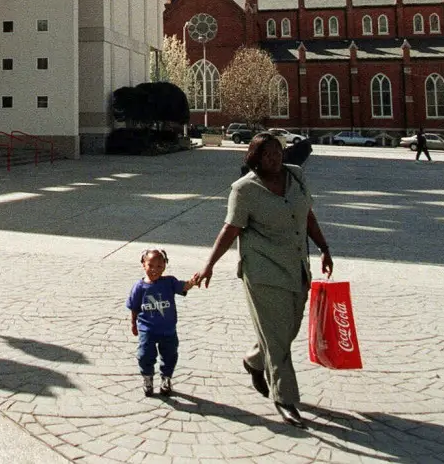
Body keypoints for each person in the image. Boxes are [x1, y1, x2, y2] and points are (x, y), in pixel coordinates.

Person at [191, 132, 333, 428]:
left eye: (278, 152)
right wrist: (209, 265)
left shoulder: (296, 177)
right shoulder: (244, 190)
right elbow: (230, 229)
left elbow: (307, 215)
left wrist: (324, 248)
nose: (275, 158)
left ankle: (255, 360)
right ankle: (285, 399)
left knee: (287, 329)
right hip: (262, 272)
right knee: (278, 338)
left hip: (296, 267)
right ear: (254, 158)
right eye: (267, 154)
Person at [126, 248, 194, 397]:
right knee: (144, 355)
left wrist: (193, 281)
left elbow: (183, 286)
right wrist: (133, 324)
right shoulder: (139, 287)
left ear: (165, 265)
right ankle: (147, 378)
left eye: (159, 266)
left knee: (170, 355)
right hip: (147, 330)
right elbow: (134, 307)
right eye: (151, 266)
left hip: (168, 330)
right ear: (143, 264)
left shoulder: (169, 282)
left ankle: (166, 378)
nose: (155, 270)